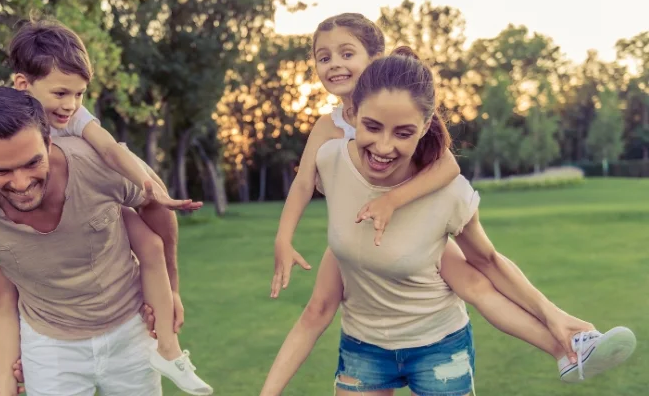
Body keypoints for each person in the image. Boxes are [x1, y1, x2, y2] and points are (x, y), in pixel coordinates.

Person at [263, 23, 636, 394]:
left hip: (426, 279)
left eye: (348, 54)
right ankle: (565, 347)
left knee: (476, 283)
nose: (335, 66)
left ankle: (566, 343)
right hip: (356, 258)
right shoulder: (330, 141)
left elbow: (451, 172)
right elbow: (302, 184)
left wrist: (393, 200)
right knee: (337, 295)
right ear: (357, 113)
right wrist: (283, 238)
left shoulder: (437, 176)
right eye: (323, 57)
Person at [0, 20, 212, 396]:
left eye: (31, 162)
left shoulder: (90, 151)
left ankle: (169, 353)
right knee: (4, 288)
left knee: (147, 243)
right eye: (0, 169)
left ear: (46, 137)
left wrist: (171, 286)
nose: (21, 181)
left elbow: (134, 181)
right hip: (49, 342)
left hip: (129, 327)